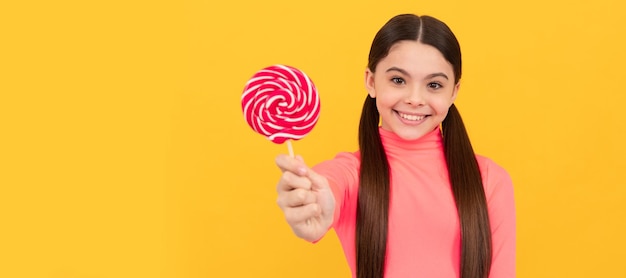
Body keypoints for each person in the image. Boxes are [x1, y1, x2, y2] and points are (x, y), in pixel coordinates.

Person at [275, 14, 515, 278]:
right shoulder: (352, 173)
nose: (414, 99)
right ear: (370, 81)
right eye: (398, 80)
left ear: (454, 92)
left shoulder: (490, 180)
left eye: (434, 85)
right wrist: (310, 202)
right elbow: (328, 186)